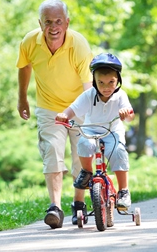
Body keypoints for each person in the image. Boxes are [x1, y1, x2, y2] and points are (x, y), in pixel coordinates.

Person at [16, 0, 94, 229]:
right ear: (40, 23)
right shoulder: (30, 42)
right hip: (49, 107)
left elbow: (88, 87)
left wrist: (86, 115)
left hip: (79, 106)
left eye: (58, 21)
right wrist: (22, 98)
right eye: (48, 21)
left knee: (82, 157)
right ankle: (55, 207)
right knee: (51, 151)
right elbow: (25, 66)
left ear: (67, 22)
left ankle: (78, 204)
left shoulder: (78, 45)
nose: (53, 27)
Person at [55, 53, 135, 210]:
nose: (106, 87)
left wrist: (127, 113)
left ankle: (123, 190)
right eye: (101, 83)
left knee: (118, 151)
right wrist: (64, 115)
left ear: (118, 80)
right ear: (94, 82)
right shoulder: (88, 95)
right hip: (91, 130)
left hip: (113, 131)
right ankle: (87, 172)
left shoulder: (120, 96)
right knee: (84, 143)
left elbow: (130, 116)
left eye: (111, 82)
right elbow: (72, 110)